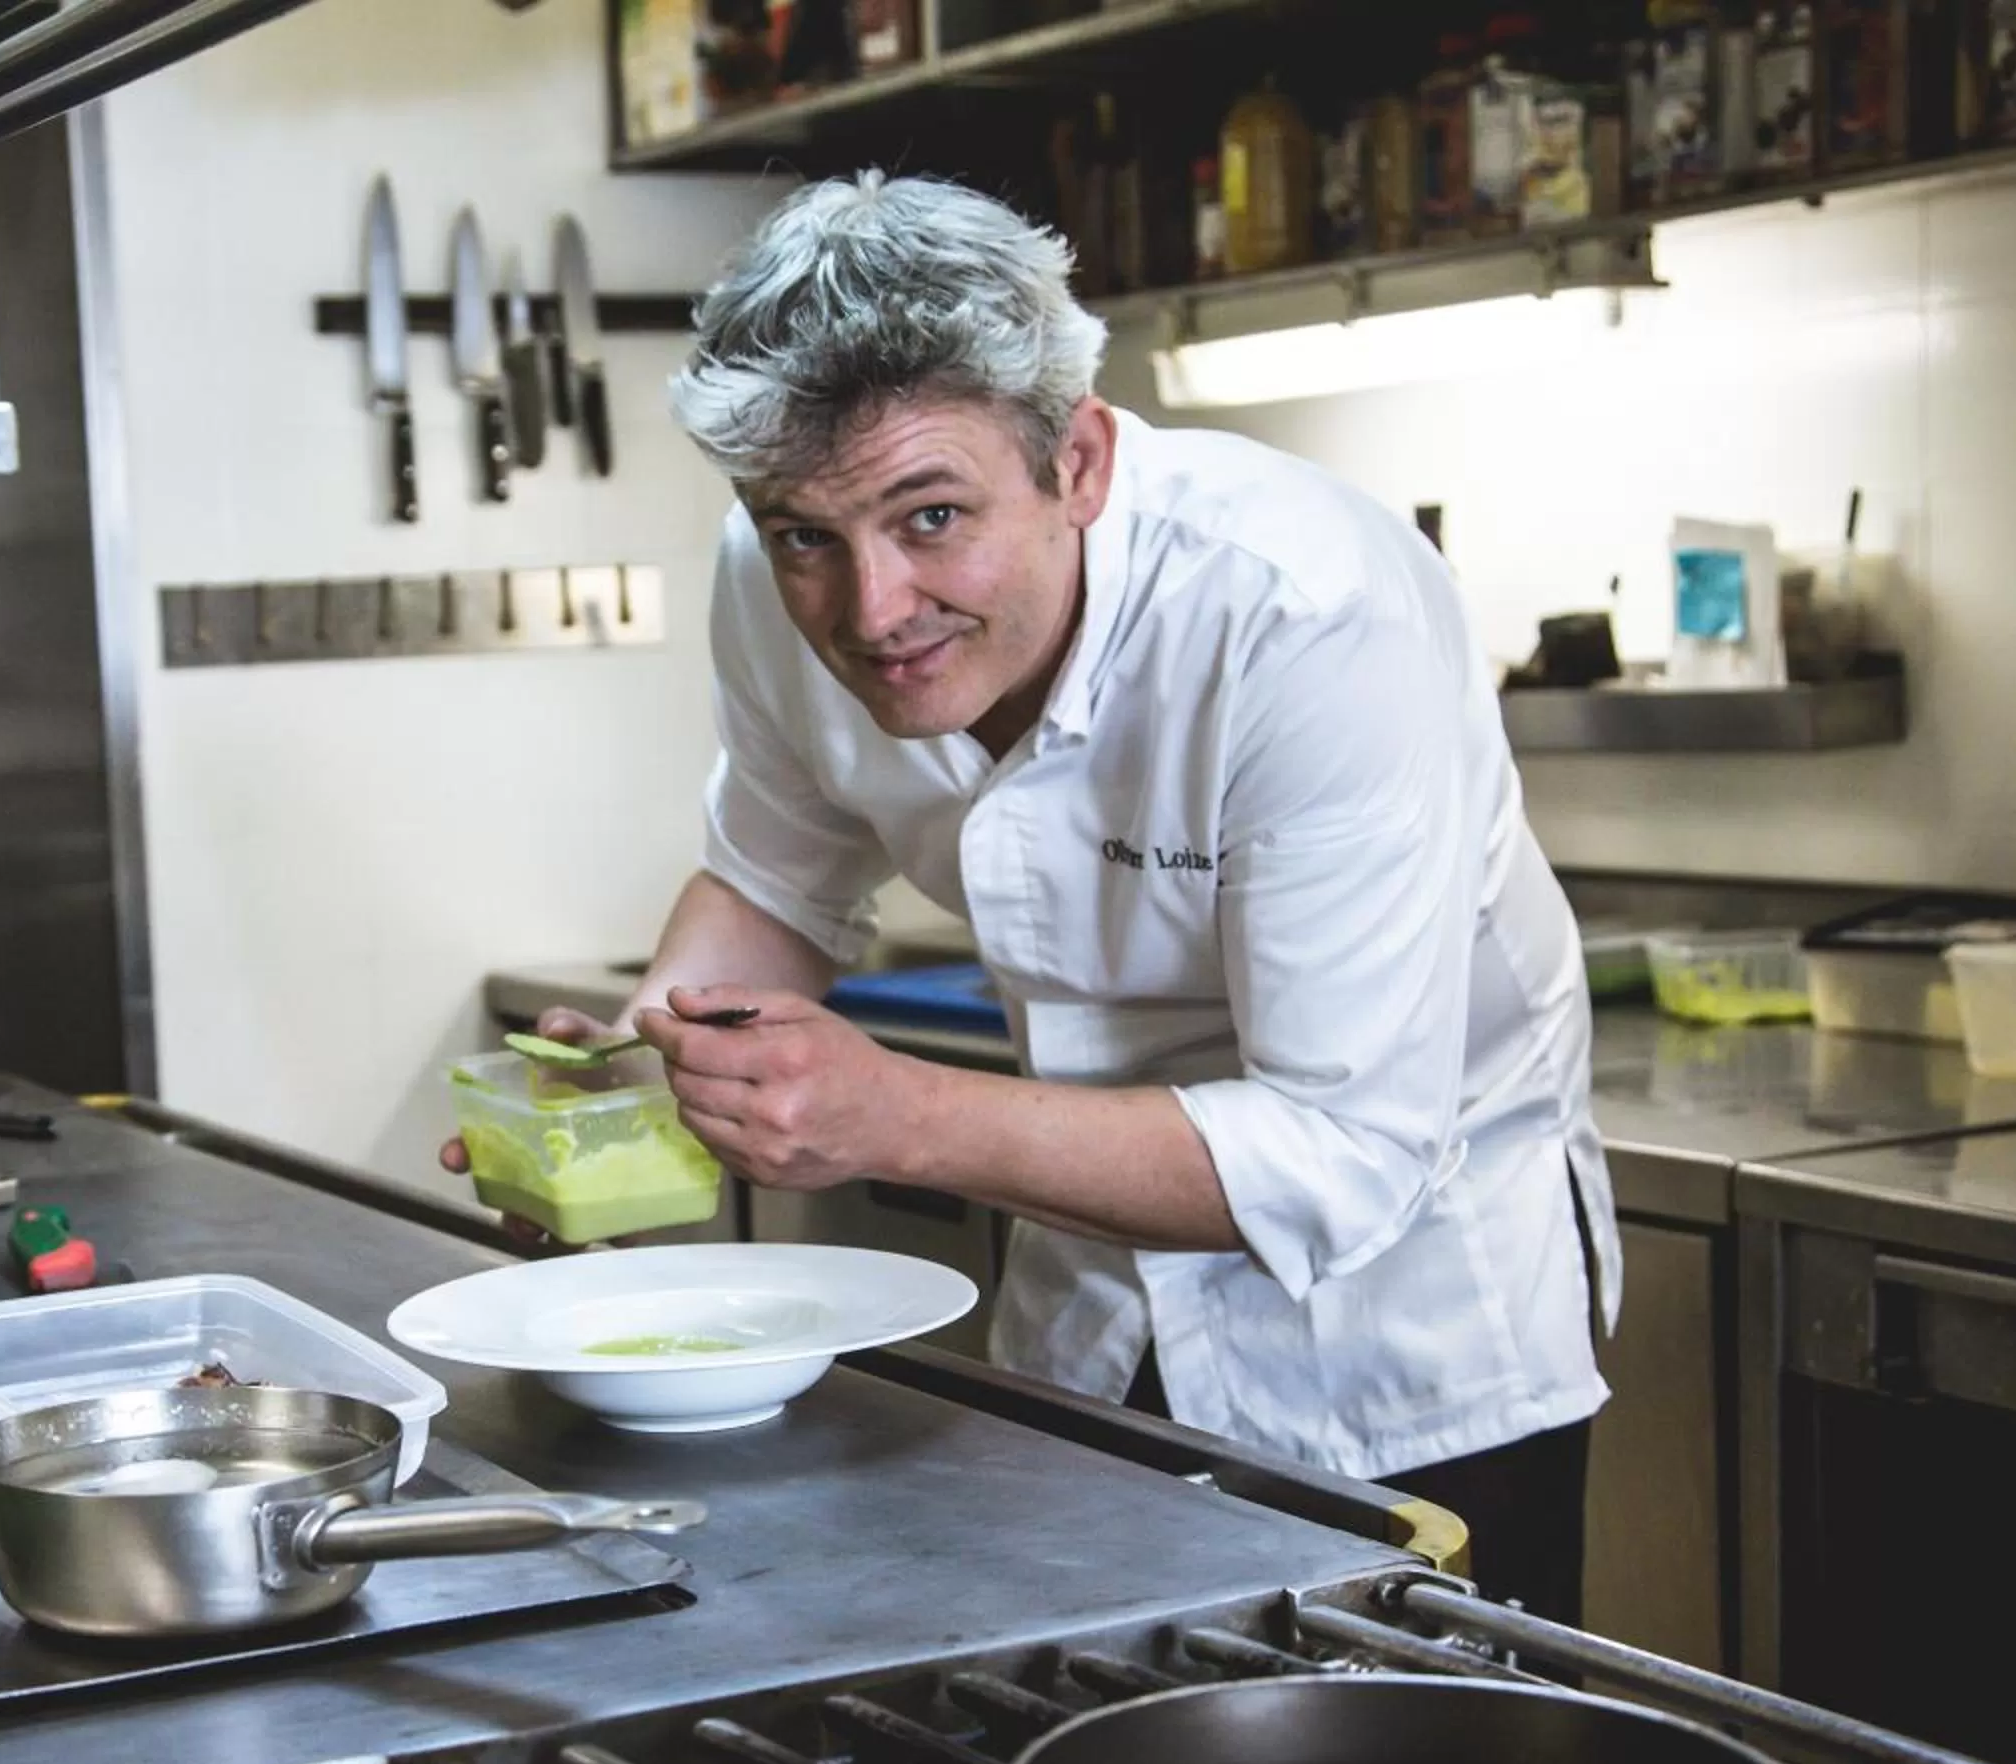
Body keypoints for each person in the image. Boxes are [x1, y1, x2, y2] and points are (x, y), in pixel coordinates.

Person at [446, 174, 1614, 1622]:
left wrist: (899, 1117)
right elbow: (776, 870)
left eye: (934, 516)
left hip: (1402, 1336)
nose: (873, 611)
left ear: (1081, 463)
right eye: (805, 533)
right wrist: (645, 1071)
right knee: (1092, 1758)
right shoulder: (777, 568)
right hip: (1082, 1292)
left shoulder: (1308, 612)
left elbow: (1344, 1150)